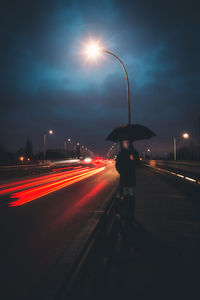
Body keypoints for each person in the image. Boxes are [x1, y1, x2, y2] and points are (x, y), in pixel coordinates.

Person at [115, 140, 137, 224]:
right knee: (125, 197)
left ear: (130, 143)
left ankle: (130, 214)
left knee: (131, 197)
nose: (126, 144)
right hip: (124, 178)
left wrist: (133, 158)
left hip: (131, 179)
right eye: (124, 143)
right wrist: (122, 172)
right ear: (122, 144)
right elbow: (117, 165)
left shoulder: (134, 152)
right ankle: (125, 214)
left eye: (127, 142)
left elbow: (138, 164)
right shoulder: (121, 154)